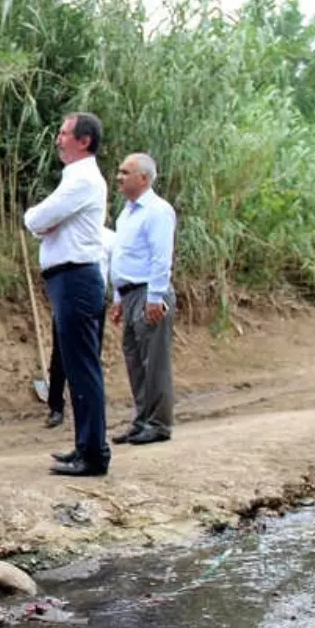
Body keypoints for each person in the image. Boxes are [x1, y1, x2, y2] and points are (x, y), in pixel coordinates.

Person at [23, 112, 110, 477]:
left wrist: (38, 219)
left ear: (83, 140)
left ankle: (93, 453)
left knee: (83, 366)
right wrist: (44, 221)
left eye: (63, 133)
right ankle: (85, 446)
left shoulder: (84, 179)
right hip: (69, 278)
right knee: (76, 366)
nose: (58, 139)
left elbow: (38, 220)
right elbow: (46, 222)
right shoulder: (75, 178)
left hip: (76, 277)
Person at [109, 152, 176, 446]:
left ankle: (158, 423)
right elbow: (122, 257)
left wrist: (155, 297)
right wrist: (117, 297)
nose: (119, 177)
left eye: (126, 172)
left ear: (143, 179)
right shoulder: (127, 213)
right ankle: (142, 419)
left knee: (154, 360)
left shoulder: (157, 211)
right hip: (130, 293)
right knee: (135, 360)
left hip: (148, 291)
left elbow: (161, 257)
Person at [46, 225, 115, 428]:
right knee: (60, 356)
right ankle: (56, 406)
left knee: (92, 356)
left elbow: (115, 268)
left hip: (95, 301)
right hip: (67, 300)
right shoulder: (69, 235)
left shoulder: (110, 238)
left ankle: (88, 408)